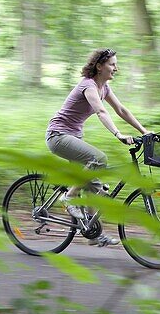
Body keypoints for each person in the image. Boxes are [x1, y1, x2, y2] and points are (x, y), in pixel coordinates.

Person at [46, 48, 153, 247]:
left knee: (93, 186)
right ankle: (68, 197)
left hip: (73, 137)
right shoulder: (88, 86)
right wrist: (118, 134)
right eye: (112, 64)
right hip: (58, 135)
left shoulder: (104, 88)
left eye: (115, 64)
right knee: (99, 159)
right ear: (99, 66)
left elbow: (121, 110)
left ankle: (94, 233)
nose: (116, 68)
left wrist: (144, 131)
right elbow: (101, 111)